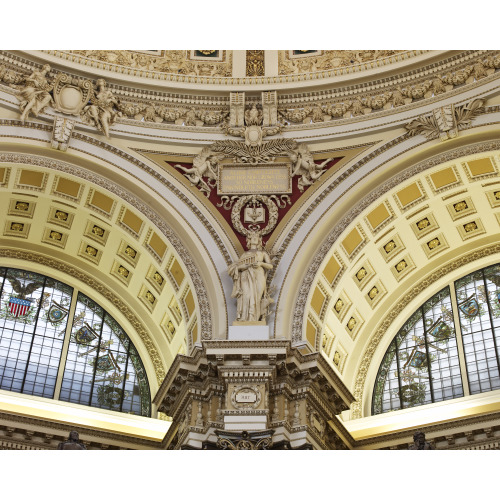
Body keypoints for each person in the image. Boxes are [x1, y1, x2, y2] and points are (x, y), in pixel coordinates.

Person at [228, 231, 273, 322]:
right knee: (246, 296)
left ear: (259, 240)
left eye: (256, 237)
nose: (254, 238)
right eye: (252, 237)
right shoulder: (245, 255)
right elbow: (238, 266)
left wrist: (261, 263)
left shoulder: (263, 253)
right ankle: (245, 317)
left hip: (259, 275)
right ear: (249, 240)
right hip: (246, 276)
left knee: (257, 296)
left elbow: (270, 266)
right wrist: (243, 267)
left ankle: (255, 318)